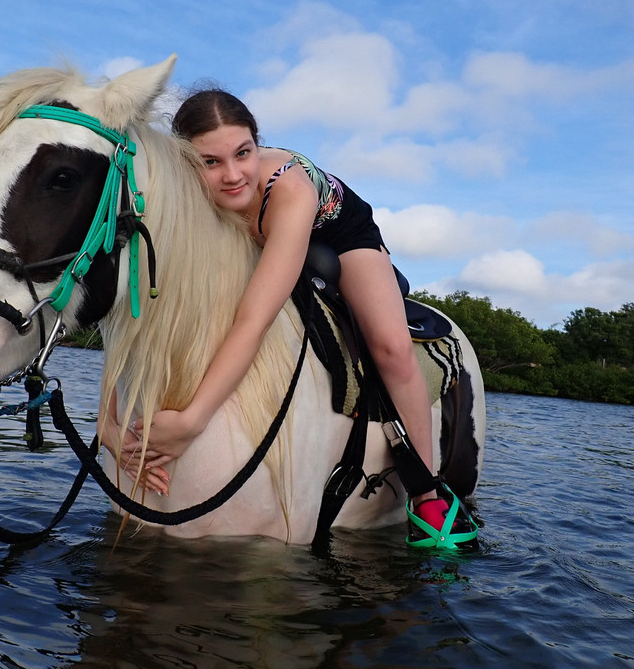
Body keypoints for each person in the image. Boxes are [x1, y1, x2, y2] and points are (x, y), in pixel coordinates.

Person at [117, 88, 456, 535]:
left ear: (257, 144)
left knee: (391, 346)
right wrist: (110, 430)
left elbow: (254, 321)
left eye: (243, 153)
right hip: (255, 230)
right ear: (185, 162)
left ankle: (427, 492)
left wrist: (192, 421)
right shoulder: (182, 195)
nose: (233, 174)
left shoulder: (289, 190)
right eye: (211, 161)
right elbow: (130, 310)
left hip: (339, 233)